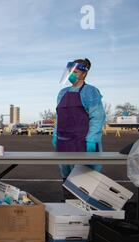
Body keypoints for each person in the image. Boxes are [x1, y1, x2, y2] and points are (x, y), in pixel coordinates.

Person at [53, 58, 106, 199]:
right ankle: (68, 210)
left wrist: (92, 140)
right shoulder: (62, 93)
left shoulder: (90, 92)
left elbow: (97, 117)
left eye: (75, 72)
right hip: (64, 143)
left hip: (82, 142)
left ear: (83, 74)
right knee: (66, 178)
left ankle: (85, 215)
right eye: (70, 71)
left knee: (83, 180)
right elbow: (59, 117)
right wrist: (55, 135)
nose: (71, 74)